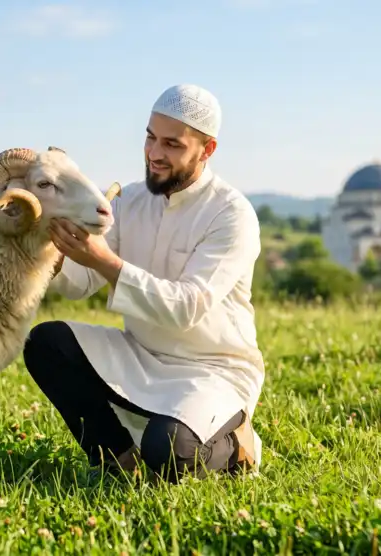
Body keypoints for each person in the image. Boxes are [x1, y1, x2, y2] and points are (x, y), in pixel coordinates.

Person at [22, 83, 265, 484]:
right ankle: (118, 459)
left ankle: (238, 441)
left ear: (207, 150)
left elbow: (187, 307)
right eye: (150, 138)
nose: (154, 154)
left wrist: (103, 259)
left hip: (212, 370)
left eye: (172, 144)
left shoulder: (232, 214)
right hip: (141, 354)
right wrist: (49, 245)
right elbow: (79, 283)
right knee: (46, 344)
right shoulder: (128, 201)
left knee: (170, 451)